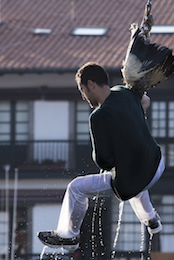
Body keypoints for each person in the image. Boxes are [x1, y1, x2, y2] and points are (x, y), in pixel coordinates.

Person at [38, 63, 164, 250]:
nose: (83, 96)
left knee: (76, 188)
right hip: (156, 164)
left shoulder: (99, 116)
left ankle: (69, 236)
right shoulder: (124, 92)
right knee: (132, 173)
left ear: (91, 84)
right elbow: (145, 101)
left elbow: (104, 161)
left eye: (82, 90)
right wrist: (132, 123)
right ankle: (152, 221)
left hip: (136, 176)